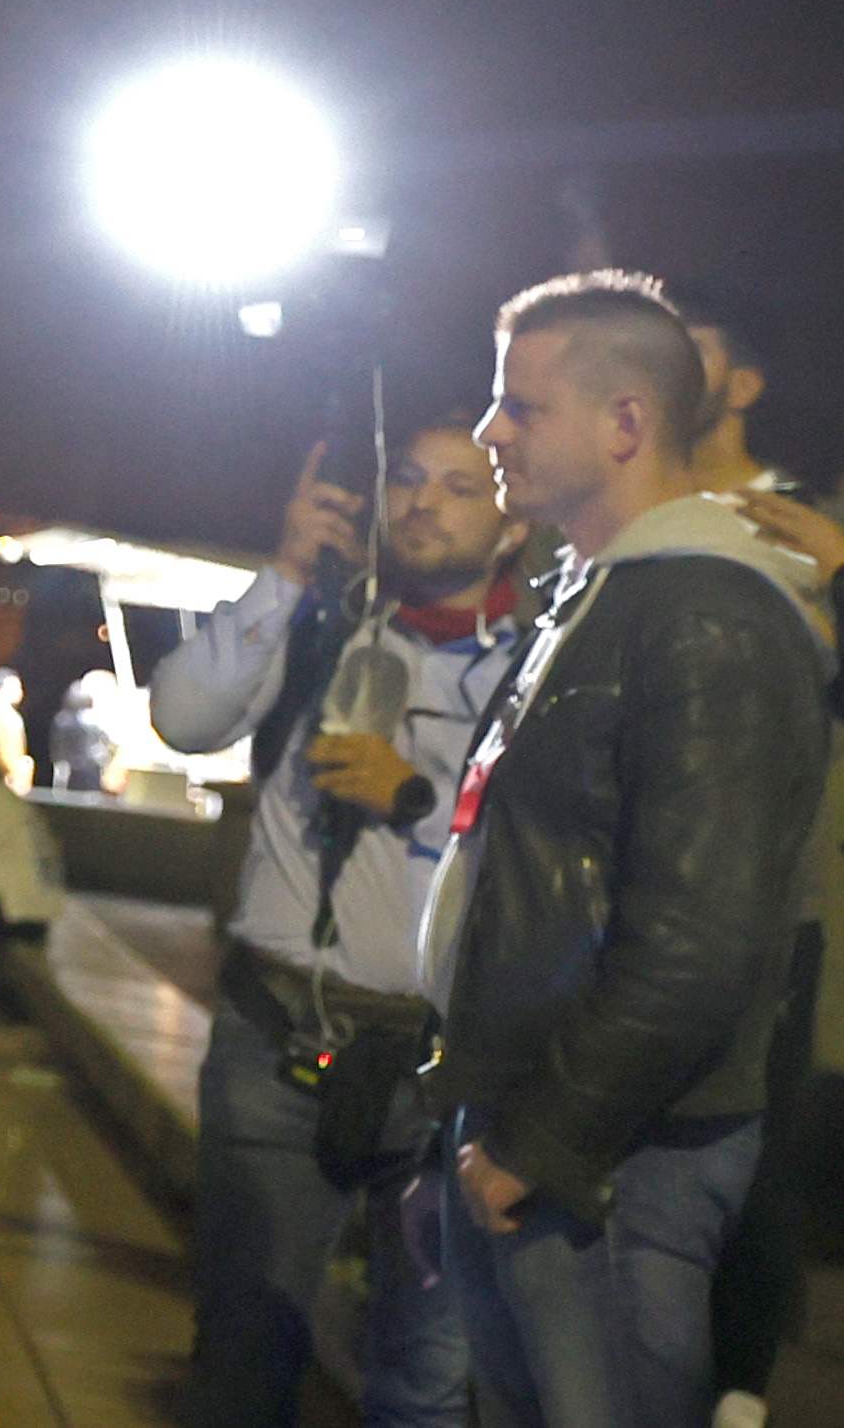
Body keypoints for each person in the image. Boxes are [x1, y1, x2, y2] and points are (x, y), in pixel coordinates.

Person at [426, 271, 832, 1428]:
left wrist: (545, 1140)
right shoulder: (603, 593)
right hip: (537, 1128)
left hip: (609, 1158)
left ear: (625, 422)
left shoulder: (706, 613)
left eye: (521, 405)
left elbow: (698, 941)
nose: (491, 429)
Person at [149, 420, 520, 1428]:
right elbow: (183, 718)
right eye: (409, 478)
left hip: (443, 1077)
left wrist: (416, 798)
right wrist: (284, 570)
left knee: (428, 1382)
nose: (424, 501)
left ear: (513, 522)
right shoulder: (322, 628)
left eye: (462, 486)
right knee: (242, 1350)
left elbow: (547, 854)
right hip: (280, 1045)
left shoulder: (532, 668)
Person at [666, 284, 836, 1428]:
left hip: (783, 902)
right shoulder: (633, 514)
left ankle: (737, 1389)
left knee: (757, 1158)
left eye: (698, 351)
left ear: (746, 383)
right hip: (639, 885)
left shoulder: (807, 523)